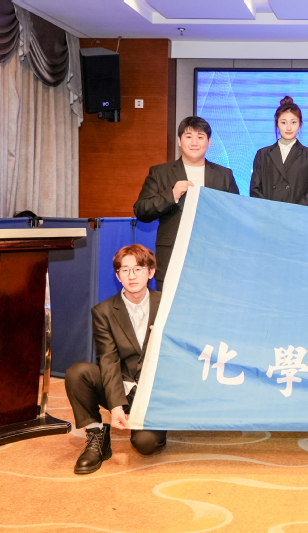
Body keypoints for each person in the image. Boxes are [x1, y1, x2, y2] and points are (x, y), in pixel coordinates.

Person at [64, 244, 167, 474]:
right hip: (122, 386)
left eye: (138, 269)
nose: (132, 276)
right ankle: (97, 433)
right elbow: (108, 360)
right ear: (118, 276)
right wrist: (115, 405)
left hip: (154, 394)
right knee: (78, 373)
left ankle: (153, 424)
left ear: (151, 272)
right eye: (125, 270)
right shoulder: (103, 312)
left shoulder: (167, 306)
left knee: (145, 445)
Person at [134, 116, 239, 291]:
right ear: (179, 141)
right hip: (172, 258)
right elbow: (141, 210)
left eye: (200, 137)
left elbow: (235, 215)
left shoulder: (224, 175)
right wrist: (171, 195)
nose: (194, 142)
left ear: (209, 142)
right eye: (189, 136)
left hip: (213, 260)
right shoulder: (160, 173)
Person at [250, 96, 308, 205]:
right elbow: (255, 189)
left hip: (297, 213)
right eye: (283, 122)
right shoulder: (263, 154)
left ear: (300, 123)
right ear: (277, 124)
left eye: (293, 122)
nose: (288, 128)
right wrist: (268, 210)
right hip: (267, 213)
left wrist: (294, 212)